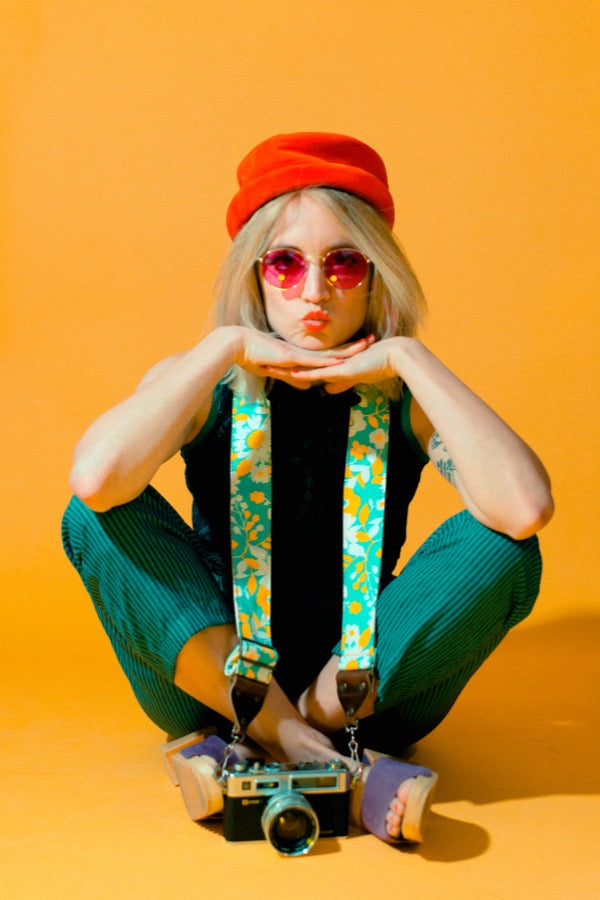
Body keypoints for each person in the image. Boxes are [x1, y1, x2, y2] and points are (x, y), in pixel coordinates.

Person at [62, 132, 553, 846]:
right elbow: (96, 481)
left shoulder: (400, 392)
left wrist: (411, 356)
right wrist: (224, 347)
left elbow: (524, 507)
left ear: (377, 274)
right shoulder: (209, 383)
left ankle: (259, 750)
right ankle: (308, 752)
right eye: (285, 264)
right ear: (254, 276)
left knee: (506, 551)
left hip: (367, 686)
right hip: (207, 675)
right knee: (96, 518)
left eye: (344, 263)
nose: (314, 292)